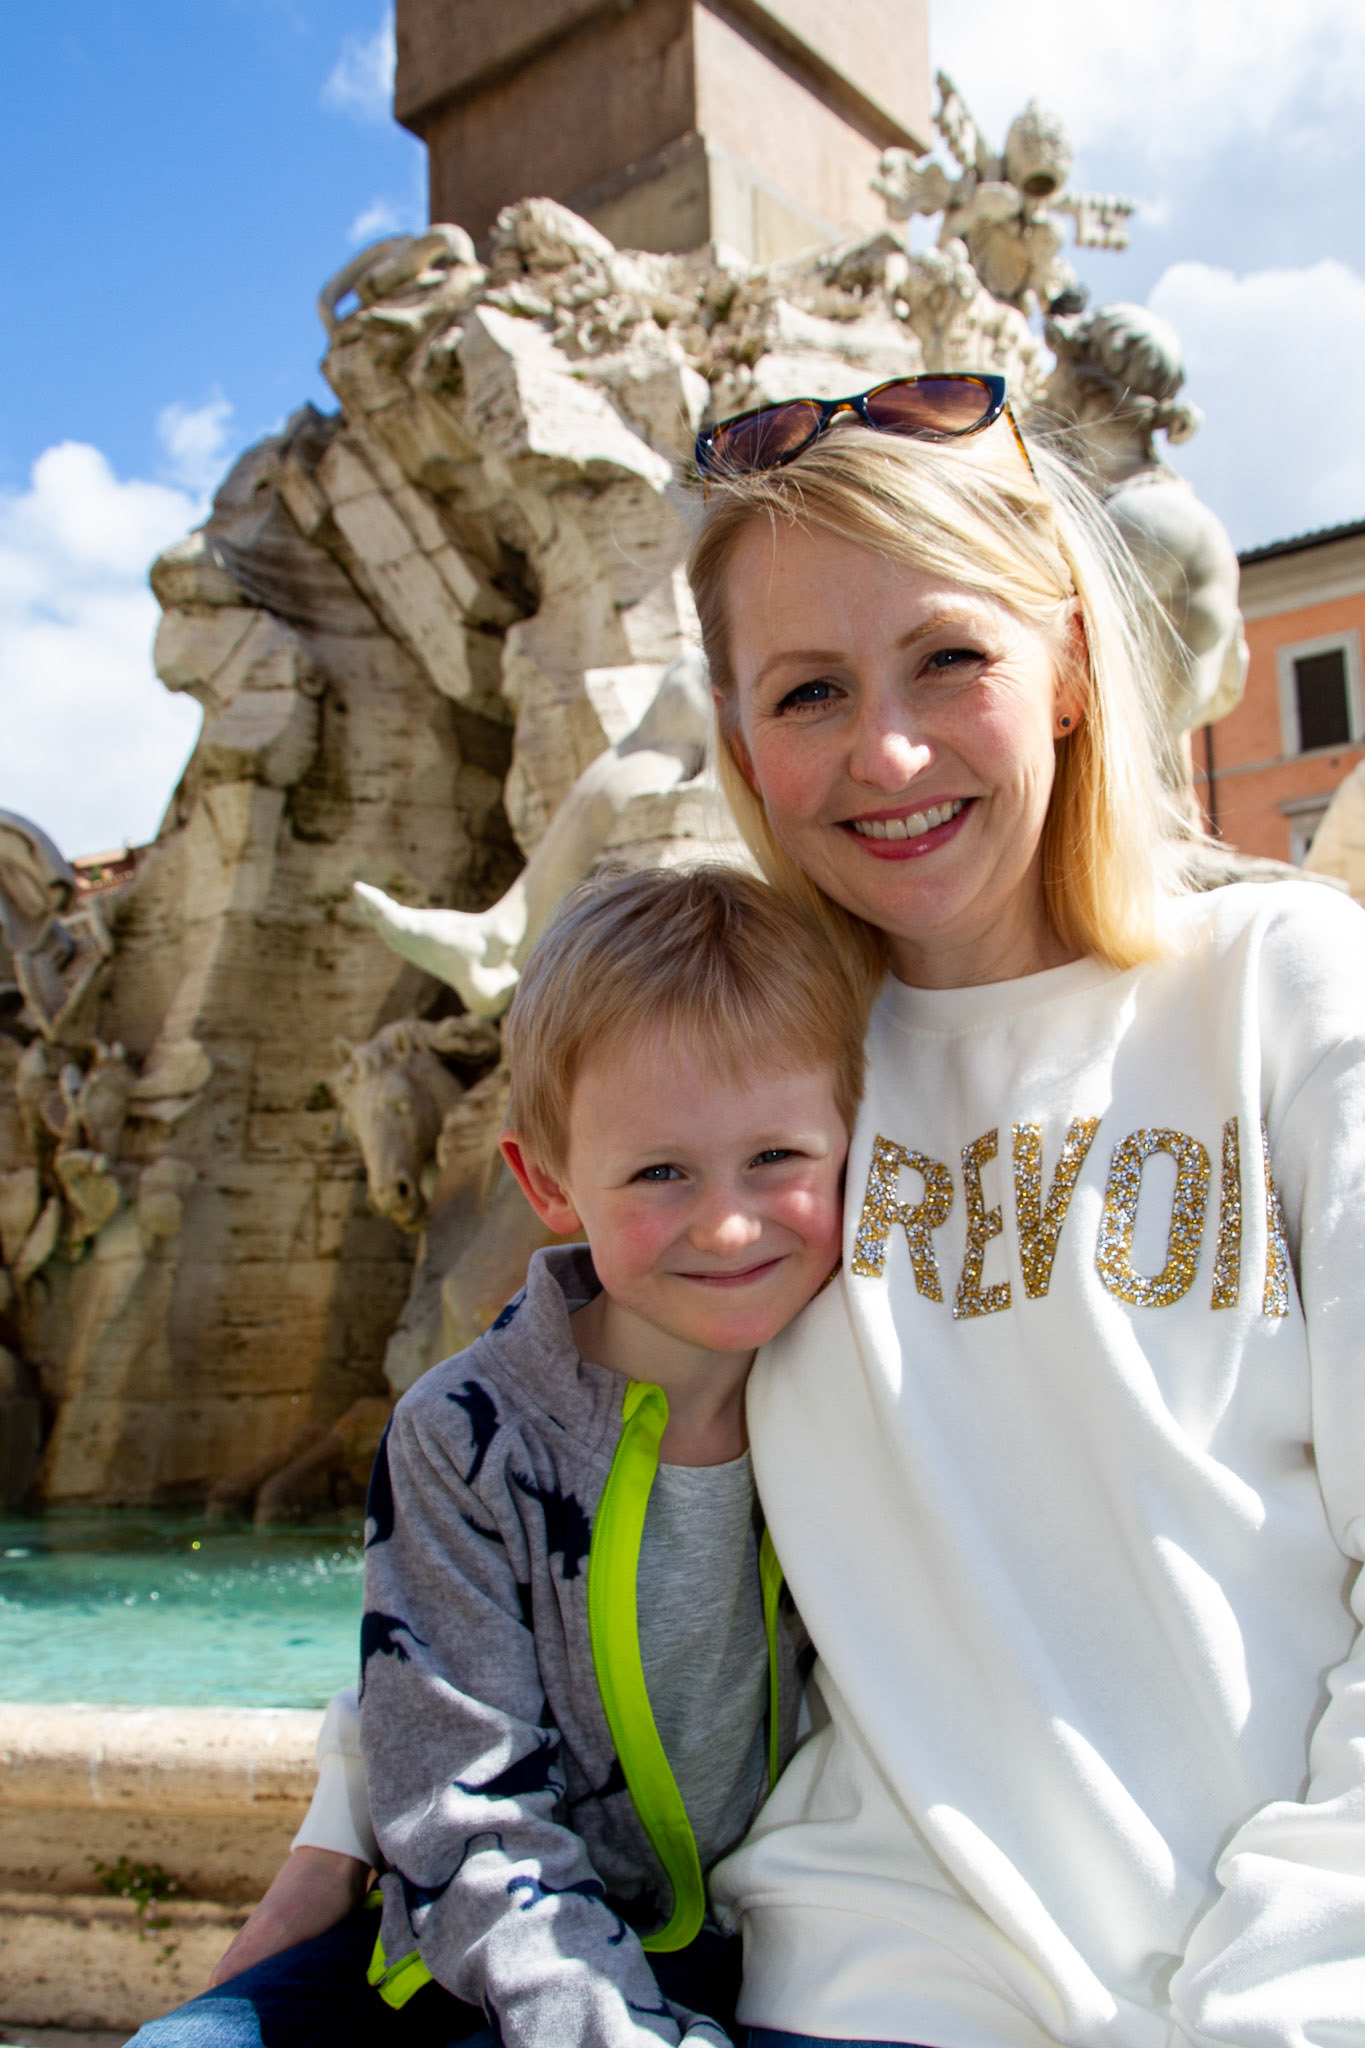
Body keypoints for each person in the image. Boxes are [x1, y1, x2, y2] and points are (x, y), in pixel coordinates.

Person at [683, 376, 1365, 2047]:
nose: (887, 751)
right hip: (856, 1990)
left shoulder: (1287, 985)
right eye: (810, 690)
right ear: (742, 738)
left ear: (1066, 664)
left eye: (949, 659)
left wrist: (1287, 2001)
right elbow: (542, 1442)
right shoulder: (747, 1085)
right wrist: (355, 1797)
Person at [129, 863, 871, 2048]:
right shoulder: (461, 1432)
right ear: (550, 1182)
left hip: (768, 1958)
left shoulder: (859, 1383)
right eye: (660, 1171)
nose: (730, 1223)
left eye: (778, 1157)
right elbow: (466, 1808)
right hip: (487, 1968)